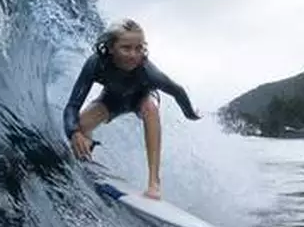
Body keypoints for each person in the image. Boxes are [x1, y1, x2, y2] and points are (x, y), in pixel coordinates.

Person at [63, 19, 201, 199]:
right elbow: (72, 106)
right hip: (112, 101)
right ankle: (87, 148)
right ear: (110, 47)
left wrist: (190, 113)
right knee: (79, 126)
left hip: (142, 99)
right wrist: (74, 133)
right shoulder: (96, 64)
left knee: (150, 108)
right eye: (126, 48)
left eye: (139, 48)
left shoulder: (147, 71)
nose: (134, 55)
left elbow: (177, 91)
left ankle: (154, 182)